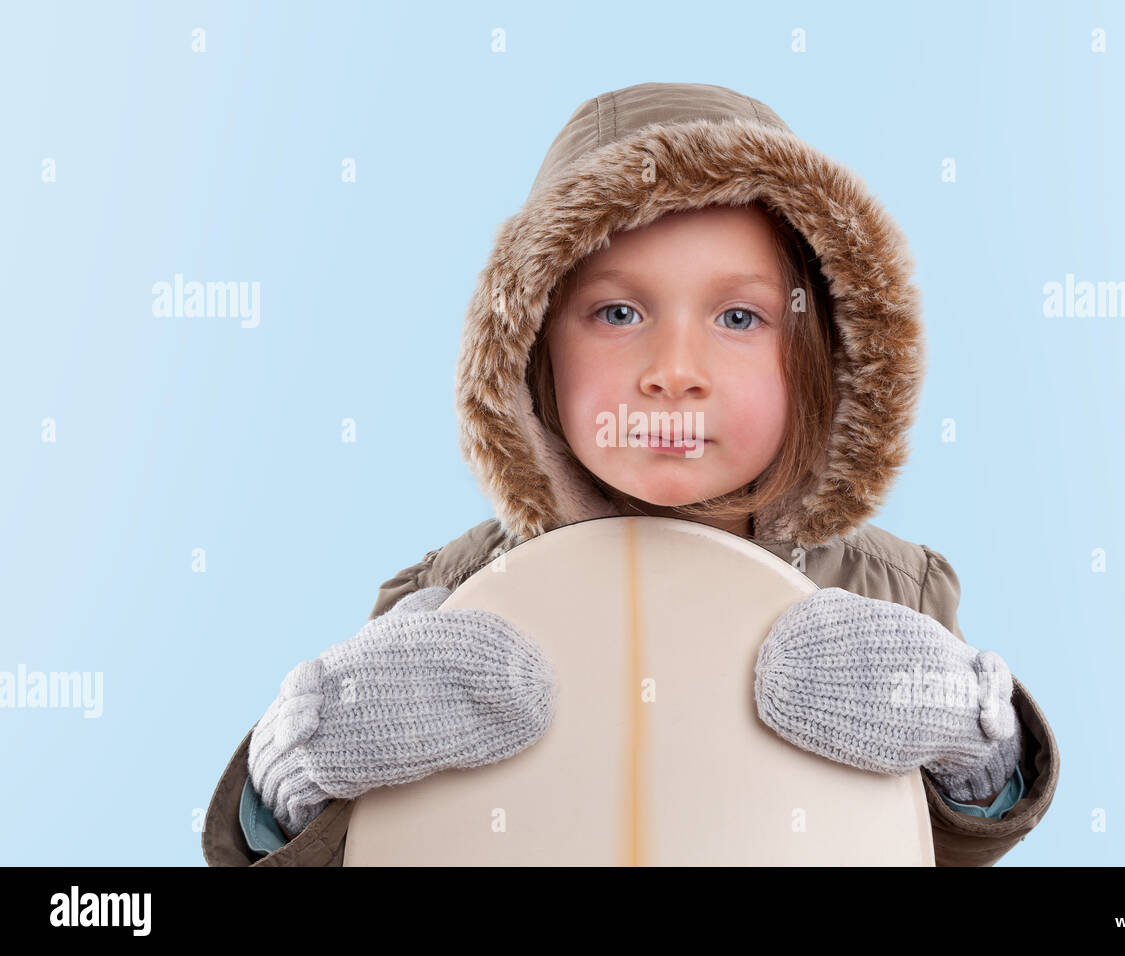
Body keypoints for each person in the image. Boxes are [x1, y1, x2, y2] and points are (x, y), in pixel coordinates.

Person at [202, 81, 1060, 868]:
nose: (674, 370)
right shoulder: (452, 599)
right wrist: (300, 766)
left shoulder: (888, 591)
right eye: (618, 312)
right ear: (533, 348)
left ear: (817, 354)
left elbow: (927, 844)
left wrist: (977, 744)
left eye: (738, 315)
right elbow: (368, 848)